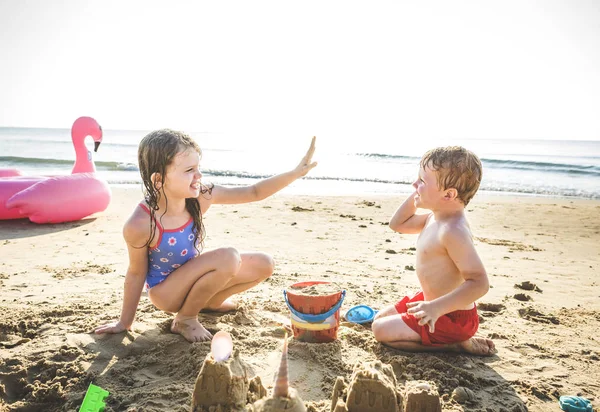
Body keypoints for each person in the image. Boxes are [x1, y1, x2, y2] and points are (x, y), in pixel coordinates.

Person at [95, 130, 317, 342]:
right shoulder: (141, 224)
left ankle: (211, 302)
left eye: (198, 167)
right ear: (159, 180)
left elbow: (254, 192)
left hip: (194, 280)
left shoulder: (202, 196)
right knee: (228, 257)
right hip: (166, 293)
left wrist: (295, 173)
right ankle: (185, 318)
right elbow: (136, 273)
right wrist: (125, 322)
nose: (198, 175)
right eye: (189, 170)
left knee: (264, 264)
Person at [371, 146, 495, 355]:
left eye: (421, 181)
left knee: (379, 330)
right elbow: (398, 224)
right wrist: (420, 193)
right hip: (432, 303)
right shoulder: (435, 216)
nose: (414, 184)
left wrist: (436, 308)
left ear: (448, 194)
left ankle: (455, 344)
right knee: (379, 318)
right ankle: (452, 338)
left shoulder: (452, 231)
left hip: (450, 316)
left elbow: (480, 283)